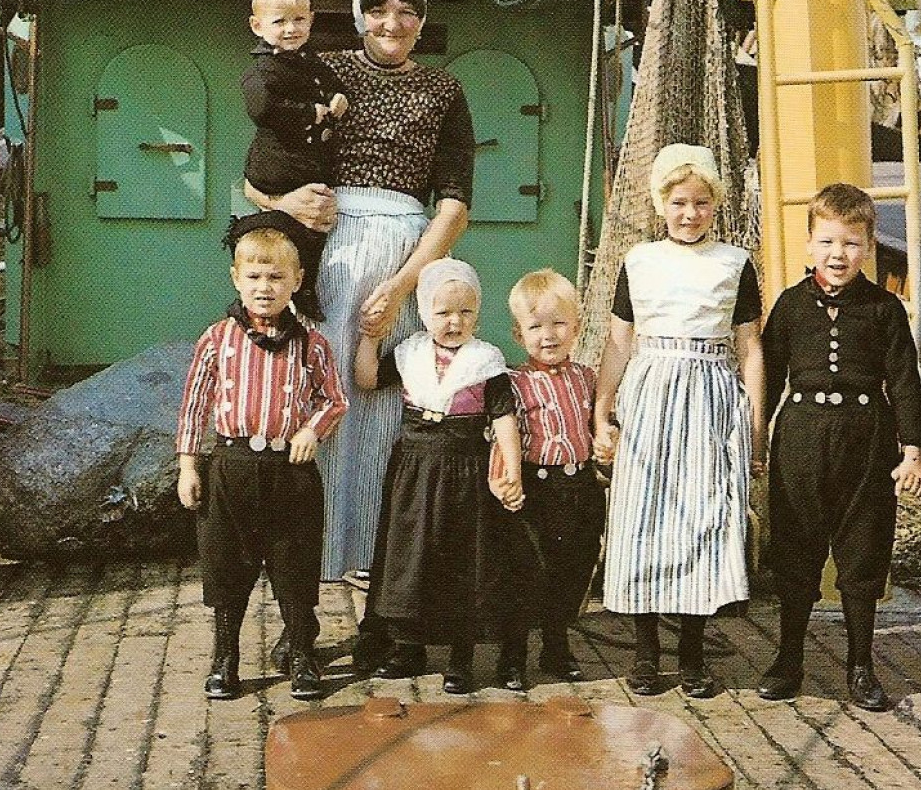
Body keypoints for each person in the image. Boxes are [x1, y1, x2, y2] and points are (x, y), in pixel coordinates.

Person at [242, 0, 476, 591]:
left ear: (424, 21)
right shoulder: (326, 71)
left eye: (408, 10)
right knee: (321, 391)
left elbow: (454, 201)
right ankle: (313, 553)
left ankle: (379, 551)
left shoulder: (443, 91)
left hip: (407, 251)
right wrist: (283, 205)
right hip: (327, 246)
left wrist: (404, 283)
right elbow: (257, 168)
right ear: (356, 15)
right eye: (378, 8)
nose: (392, 23)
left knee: (387, 400)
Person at [593, 144, 765, 700]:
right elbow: (619, 342)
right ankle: (645, 655)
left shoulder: (734, 264)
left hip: (710, 395)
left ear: (715, 205)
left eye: (701, 203)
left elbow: (750, 349)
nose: (690, 214)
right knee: (645, 518)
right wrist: (603, 411)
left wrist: (756, 424)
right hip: (651, 391)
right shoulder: (638, 261)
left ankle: (692, 654)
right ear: (660, 203)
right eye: (679, 202)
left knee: (703, 520)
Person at [758, 183, 921, 712]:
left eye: (852, 244)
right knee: (796, 551)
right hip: (802, 437)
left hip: (866, 439)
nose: (839, 255)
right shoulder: (789, 306)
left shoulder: (883, 310)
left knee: (862, 552)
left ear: (869, 246)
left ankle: (861, 665)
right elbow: (767, 377)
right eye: (829, 242)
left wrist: (913, 450)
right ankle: (789, 658)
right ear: (810, 244)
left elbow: (904, 381)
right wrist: (755, 442)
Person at [174, 211, 348, 702]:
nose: (265, 287)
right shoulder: (217, 339)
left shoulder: (312, 343)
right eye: (254, 277)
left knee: (294, 566)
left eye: (276, 277)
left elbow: (334, 400)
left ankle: (300, 654)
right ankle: (224, 657)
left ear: (297, 280)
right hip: (230, 467)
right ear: (236, 277)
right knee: (227, 567)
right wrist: (189, 465)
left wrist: (313, 429)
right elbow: (194, 403)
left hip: (289, 470)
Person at [354, 258, 522, 694]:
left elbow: (503, 420)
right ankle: (407, 648)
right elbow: (367, 379)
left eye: (465, 312)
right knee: (408, 556)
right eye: (443, 312)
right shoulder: (410, 352)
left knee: (462, 560)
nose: (454, 321)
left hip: (464, 472)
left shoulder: (486, 361)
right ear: (425, 313)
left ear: (478, 315)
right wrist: (369, 338)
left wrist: (512, 471)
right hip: (414, 468)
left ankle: (461, 657)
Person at [490, 269, 605, 689]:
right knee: (525, 573)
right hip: (535, 490)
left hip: (580, 489)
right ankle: (513, 654)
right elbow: (502, 439)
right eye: (536, 327)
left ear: (576, 327)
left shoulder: (587, 378)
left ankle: (557, 645)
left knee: (572, 571)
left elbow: (599, 427)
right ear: (519, 336)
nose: (549, 335)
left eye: (559, 324)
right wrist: (507, 481)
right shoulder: (513, 383)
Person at [239, 0, 349, 321]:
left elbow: (328, 81)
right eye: (280, 22)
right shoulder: (262, 69)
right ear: (257, 26)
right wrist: (311, 113)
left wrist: (337, 96)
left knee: (311, 234)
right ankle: (261, 303)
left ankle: (305, 290)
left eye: (299, 20)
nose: (290, 29)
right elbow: (263, 109)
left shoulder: (309, 61)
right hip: (277, 168)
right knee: (275, 240)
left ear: (310, 21)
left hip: (305, 166)